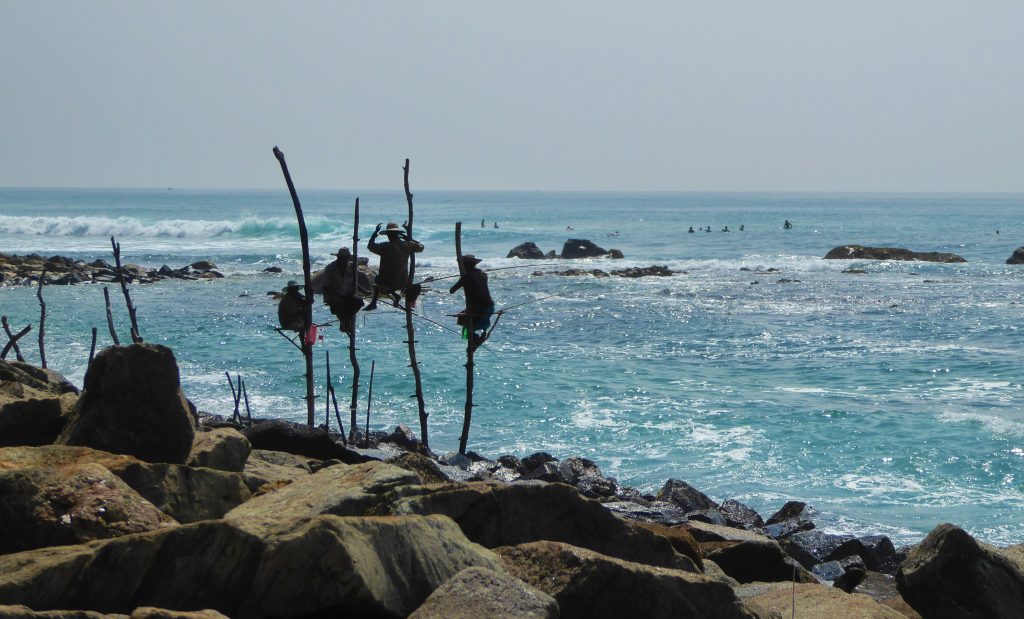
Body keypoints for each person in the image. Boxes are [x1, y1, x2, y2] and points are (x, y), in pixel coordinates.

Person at [365, 222, 424, 311]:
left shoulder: (385, 246)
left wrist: (375, 233)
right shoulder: (407, 245)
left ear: (388, 235)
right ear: (398, 234)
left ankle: (374, 303)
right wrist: (410, 239)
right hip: (402, 282)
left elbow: (370, 246)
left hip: (386, 282)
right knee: (417, 287)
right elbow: (421, 247)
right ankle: (402, 298)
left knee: (377, 279)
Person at [449, 254, 495, 341]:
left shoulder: (466, 277)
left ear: (464, 265)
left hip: (480, 309)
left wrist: (461, 279)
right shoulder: (483, 274)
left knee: (462, 318)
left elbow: (452, 291)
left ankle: (473, 337)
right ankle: (481, 333)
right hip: (491, 306)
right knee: (466, 315)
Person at [321, 247, 362, 334]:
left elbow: (355, 282)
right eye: (342, 258)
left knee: (359, 302)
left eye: (346, 258)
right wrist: (333, 296)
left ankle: (345, 320)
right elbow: (325, 286)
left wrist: (364, 291)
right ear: (338, 257)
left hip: (347, 294)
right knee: (339, 304)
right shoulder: (330, 268)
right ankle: (345, 321)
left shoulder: (352, 267)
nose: (344, 260)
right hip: (334, 295)